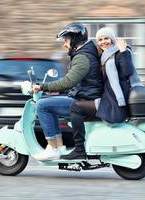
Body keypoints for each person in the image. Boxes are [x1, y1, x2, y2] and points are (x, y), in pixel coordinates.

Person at [60, 27, 142, 160]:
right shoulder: (105, 55)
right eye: (100, 39)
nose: (103, 42)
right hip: (109, 96)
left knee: (75, 107)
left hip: (115, 100)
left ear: (112, 39)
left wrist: (123, 51)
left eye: (106, 38)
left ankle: (79, 149)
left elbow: (128, 72)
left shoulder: (119, 52)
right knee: (80, 106)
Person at [32, 23, 103, 161]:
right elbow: (77, 82)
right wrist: (56, 90)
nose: (65, 44)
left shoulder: (82, 58)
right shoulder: (85, 54)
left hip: (83, 100)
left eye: (66, 40)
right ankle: (59, 147)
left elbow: (69, 81)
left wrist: (42, 87)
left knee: (42, 105)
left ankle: (53, 148)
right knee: (48, 104)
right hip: (84, 96)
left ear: (75, 40)